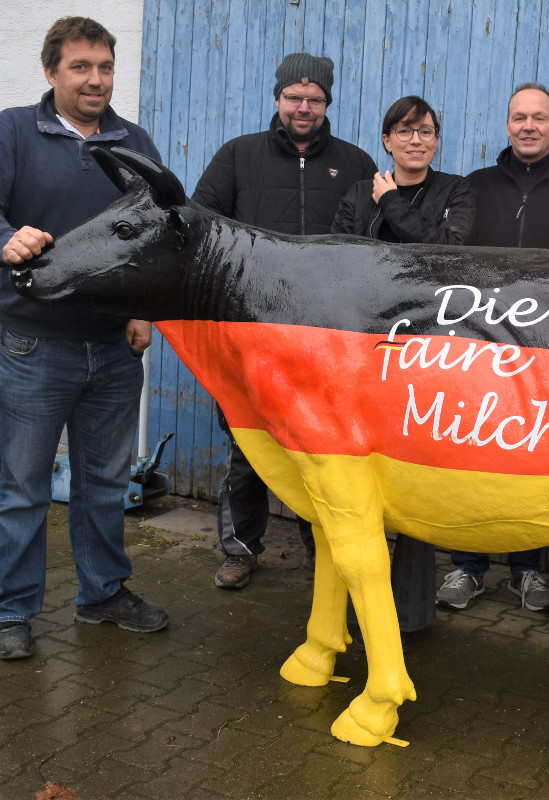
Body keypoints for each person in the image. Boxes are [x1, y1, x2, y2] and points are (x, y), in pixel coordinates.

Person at [0, 16, 169, 660]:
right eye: (81, 67)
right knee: (23, 487)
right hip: (34, 344)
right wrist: (1, 240)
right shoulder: (13, 131)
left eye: (104, 67)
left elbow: (157, 231)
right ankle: (11, 611)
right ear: (51, 72)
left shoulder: (133, 141)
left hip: (111, 346)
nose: (95, 79)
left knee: (104, 482)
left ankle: (102, 594)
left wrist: (143, 308)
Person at [191, 52, 377, 589]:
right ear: (277, 99)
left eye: (314, 99)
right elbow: (202, 225)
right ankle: (240, 550)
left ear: (327, 104)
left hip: (325, 338)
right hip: (252, 332)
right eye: (294, 98)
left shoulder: (356, 162)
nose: (303, 107)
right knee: (250, 448)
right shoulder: (237, 156)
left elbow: (368, 244)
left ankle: (321, 548)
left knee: (319, 451)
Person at [435, 83, 549, 613]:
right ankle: (468, 566)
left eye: (539, 117)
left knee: (534, 461)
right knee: (470, 455)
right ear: (507, 124)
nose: (529, 125)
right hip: (477, 349)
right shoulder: (473, 186)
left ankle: (528, 571)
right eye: (519, 117)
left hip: (544, 353)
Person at [331, 95, 476, 646]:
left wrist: (391, 203)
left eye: (427, 131)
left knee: (414, 478)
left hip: (429, 355)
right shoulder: (353, 194)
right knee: (359, 477)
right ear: (386, 139)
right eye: (405, 131)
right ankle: (352, 605)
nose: (417, 140)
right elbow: (342, 262)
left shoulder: (456, 191)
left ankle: (411, 613)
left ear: (437, 140)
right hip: (366, 355)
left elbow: (447, 256)